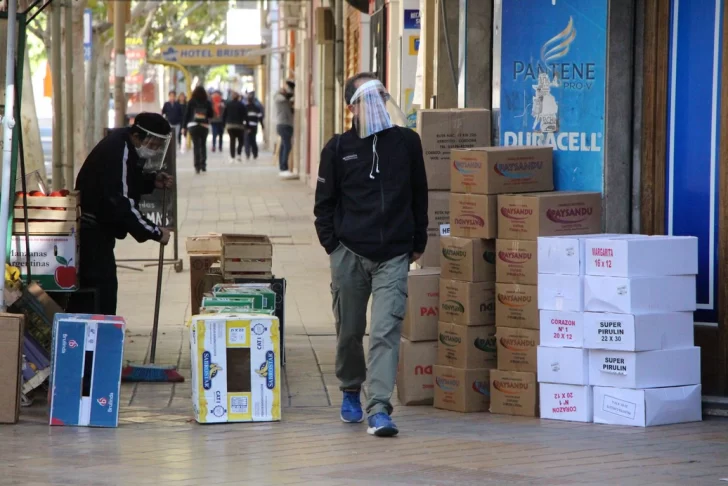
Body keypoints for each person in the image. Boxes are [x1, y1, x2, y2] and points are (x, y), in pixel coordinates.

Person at [313, 73, 428, 437]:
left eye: (382, 95)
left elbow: (419, 193)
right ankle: (350, 388)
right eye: (368, 98)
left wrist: (417, 239)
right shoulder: (337, 149)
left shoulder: (407, 143)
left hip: (393, 253)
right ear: (352, 108)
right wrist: (333, 244)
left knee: (385, 330)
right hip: (349, 252)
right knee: (349, 331)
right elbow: (324, 204)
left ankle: (379, 407)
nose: (377, 103)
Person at [73, 113, 173, 316]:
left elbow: (126, 181)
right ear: (138, 136)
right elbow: (121, 202)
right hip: (92, 229)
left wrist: (151, 181)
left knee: (101, 288)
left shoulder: (123, 143)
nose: (153, 150)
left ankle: (99, 334)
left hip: (99, 228)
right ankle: (98, 337)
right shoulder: (120, 150)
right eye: (152, 144)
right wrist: (154, 231)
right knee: (102, 290)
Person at [184, 86, 214, 174]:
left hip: (193, 126)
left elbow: (186, 114)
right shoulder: (207, 102)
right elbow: (211, 114)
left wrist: (184, 127)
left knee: (196, 146)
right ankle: (203, 164)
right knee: (203, 145)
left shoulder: (191, 101)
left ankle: (197, 166)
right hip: (204, 126)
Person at [274, 80, 295, 179]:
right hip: (283, 124)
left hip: (286, 124)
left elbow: (290, 95)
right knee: (287, 146)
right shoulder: (278, 97)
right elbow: (286, 96)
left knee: (284, 146)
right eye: (283, 89)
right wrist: (287, 91)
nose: (284, 90)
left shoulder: (284, 98)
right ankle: (284, 168)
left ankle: (283, 168)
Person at [223, 91, 246, 163]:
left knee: (232, 141)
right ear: (238, 97)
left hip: (230, 125)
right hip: (239, 125)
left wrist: (223, 124)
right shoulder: (241, 105)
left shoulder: (228, 104)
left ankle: (232, 157)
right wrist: (247, 125)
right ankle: (238, 154)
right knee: (240, 140)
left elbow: (224, 115)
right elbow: (245, 115)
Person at [244, 90, 264, 160]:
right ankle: (255, 153)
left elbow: (243, 118)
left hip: (247, 126)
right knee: (253, 140)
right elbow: (260, 117)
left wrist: (246, 126)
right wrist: (262, 126)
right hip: (254, 126)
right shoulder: (257, 108)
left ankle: (247, 154)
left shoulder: (245, 108)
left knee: (247, 140)